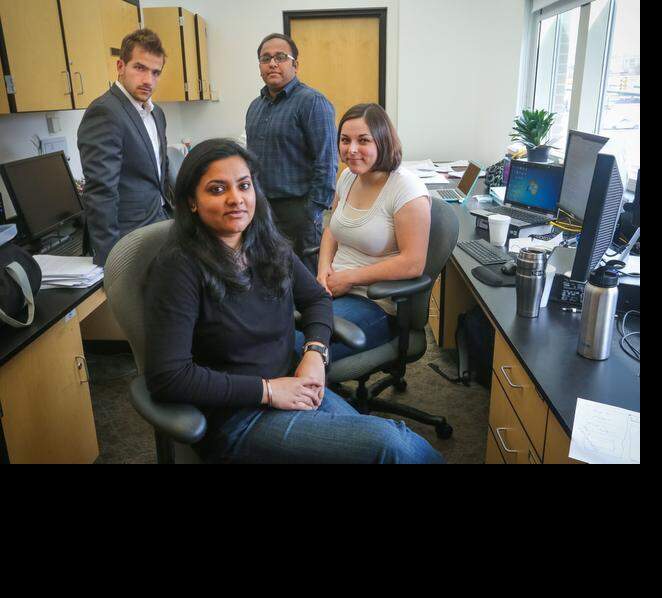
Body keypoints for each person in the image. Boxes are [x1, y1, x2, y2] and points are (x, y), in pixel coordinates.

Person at [144, 138, 443, 464]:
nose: (236, 199)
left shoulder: (263, 244)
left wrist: (315, 352)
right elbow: (168, 377)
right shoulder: (178, 267)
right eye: (217, 190)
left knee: (392, 443)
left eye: (244, 186)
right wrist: (268, 390)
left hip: (294, 385)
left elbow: (316, 298)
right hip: (239, 418)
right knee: (391, 445)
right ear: (191, 201)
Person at [307, 103, 431, 362]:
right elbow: (332, 229)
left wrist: (349, 278)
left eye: (363, 140)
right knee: (271, 329)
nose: (351, 150)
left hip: (375, 302)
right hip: (333, 288)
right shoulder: (348, 177)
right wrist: (322, 271)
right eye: (345, 140)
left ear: (382, 141)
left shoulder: (406, 190)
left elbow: (413, 264)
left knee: (299, 347)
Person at [78, 29, 174, 267]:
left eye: (155, 72)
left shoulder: (156, 113)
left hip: (159, 222)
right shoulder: (105, 111)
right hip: (128, 238)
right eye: (139, 68)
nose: (147, 80)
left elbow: (159, 172)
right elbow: (101, 191)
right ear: (120, 66)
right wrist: (110, 260)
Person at [245, 33, 337, 275]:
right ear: (260, 67)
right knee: (269, 278)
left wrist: (312, 213)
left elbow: (326, 163)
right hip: (262, 211)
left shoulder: (312, 102)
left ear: (295, 65)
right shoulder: (255, 107)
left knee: (304, 283)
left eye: (281, 57)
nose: (273, 63)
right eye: (266, 58)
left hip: (299, 213)